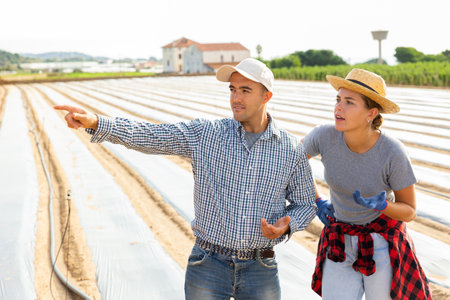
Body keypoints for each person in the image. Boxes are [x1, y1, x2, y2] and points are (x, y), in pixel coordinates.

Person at [54, 58, 317, 300]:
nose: (236, 98)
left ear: (266, 95)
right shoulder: (207, 134)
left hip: (261, 267)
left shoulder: (290, 149)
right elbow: (152, 135)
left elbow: (305, 202)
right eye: (232, 90)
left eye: (245, 90)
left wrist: (287, 225)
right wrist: (97, 123)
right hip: (209, 264)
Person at [303, 68, 431, 300]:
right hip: (339, 239)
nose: (338, 107)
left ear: (370, 113)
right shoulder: (323, 136)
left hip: (380, 241)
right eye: (338, 100)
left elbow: (410, 211)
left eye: (349, 102)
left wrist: (384, 207)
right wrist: (317, 200)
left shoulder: (392, 152)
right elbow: (293, 162)